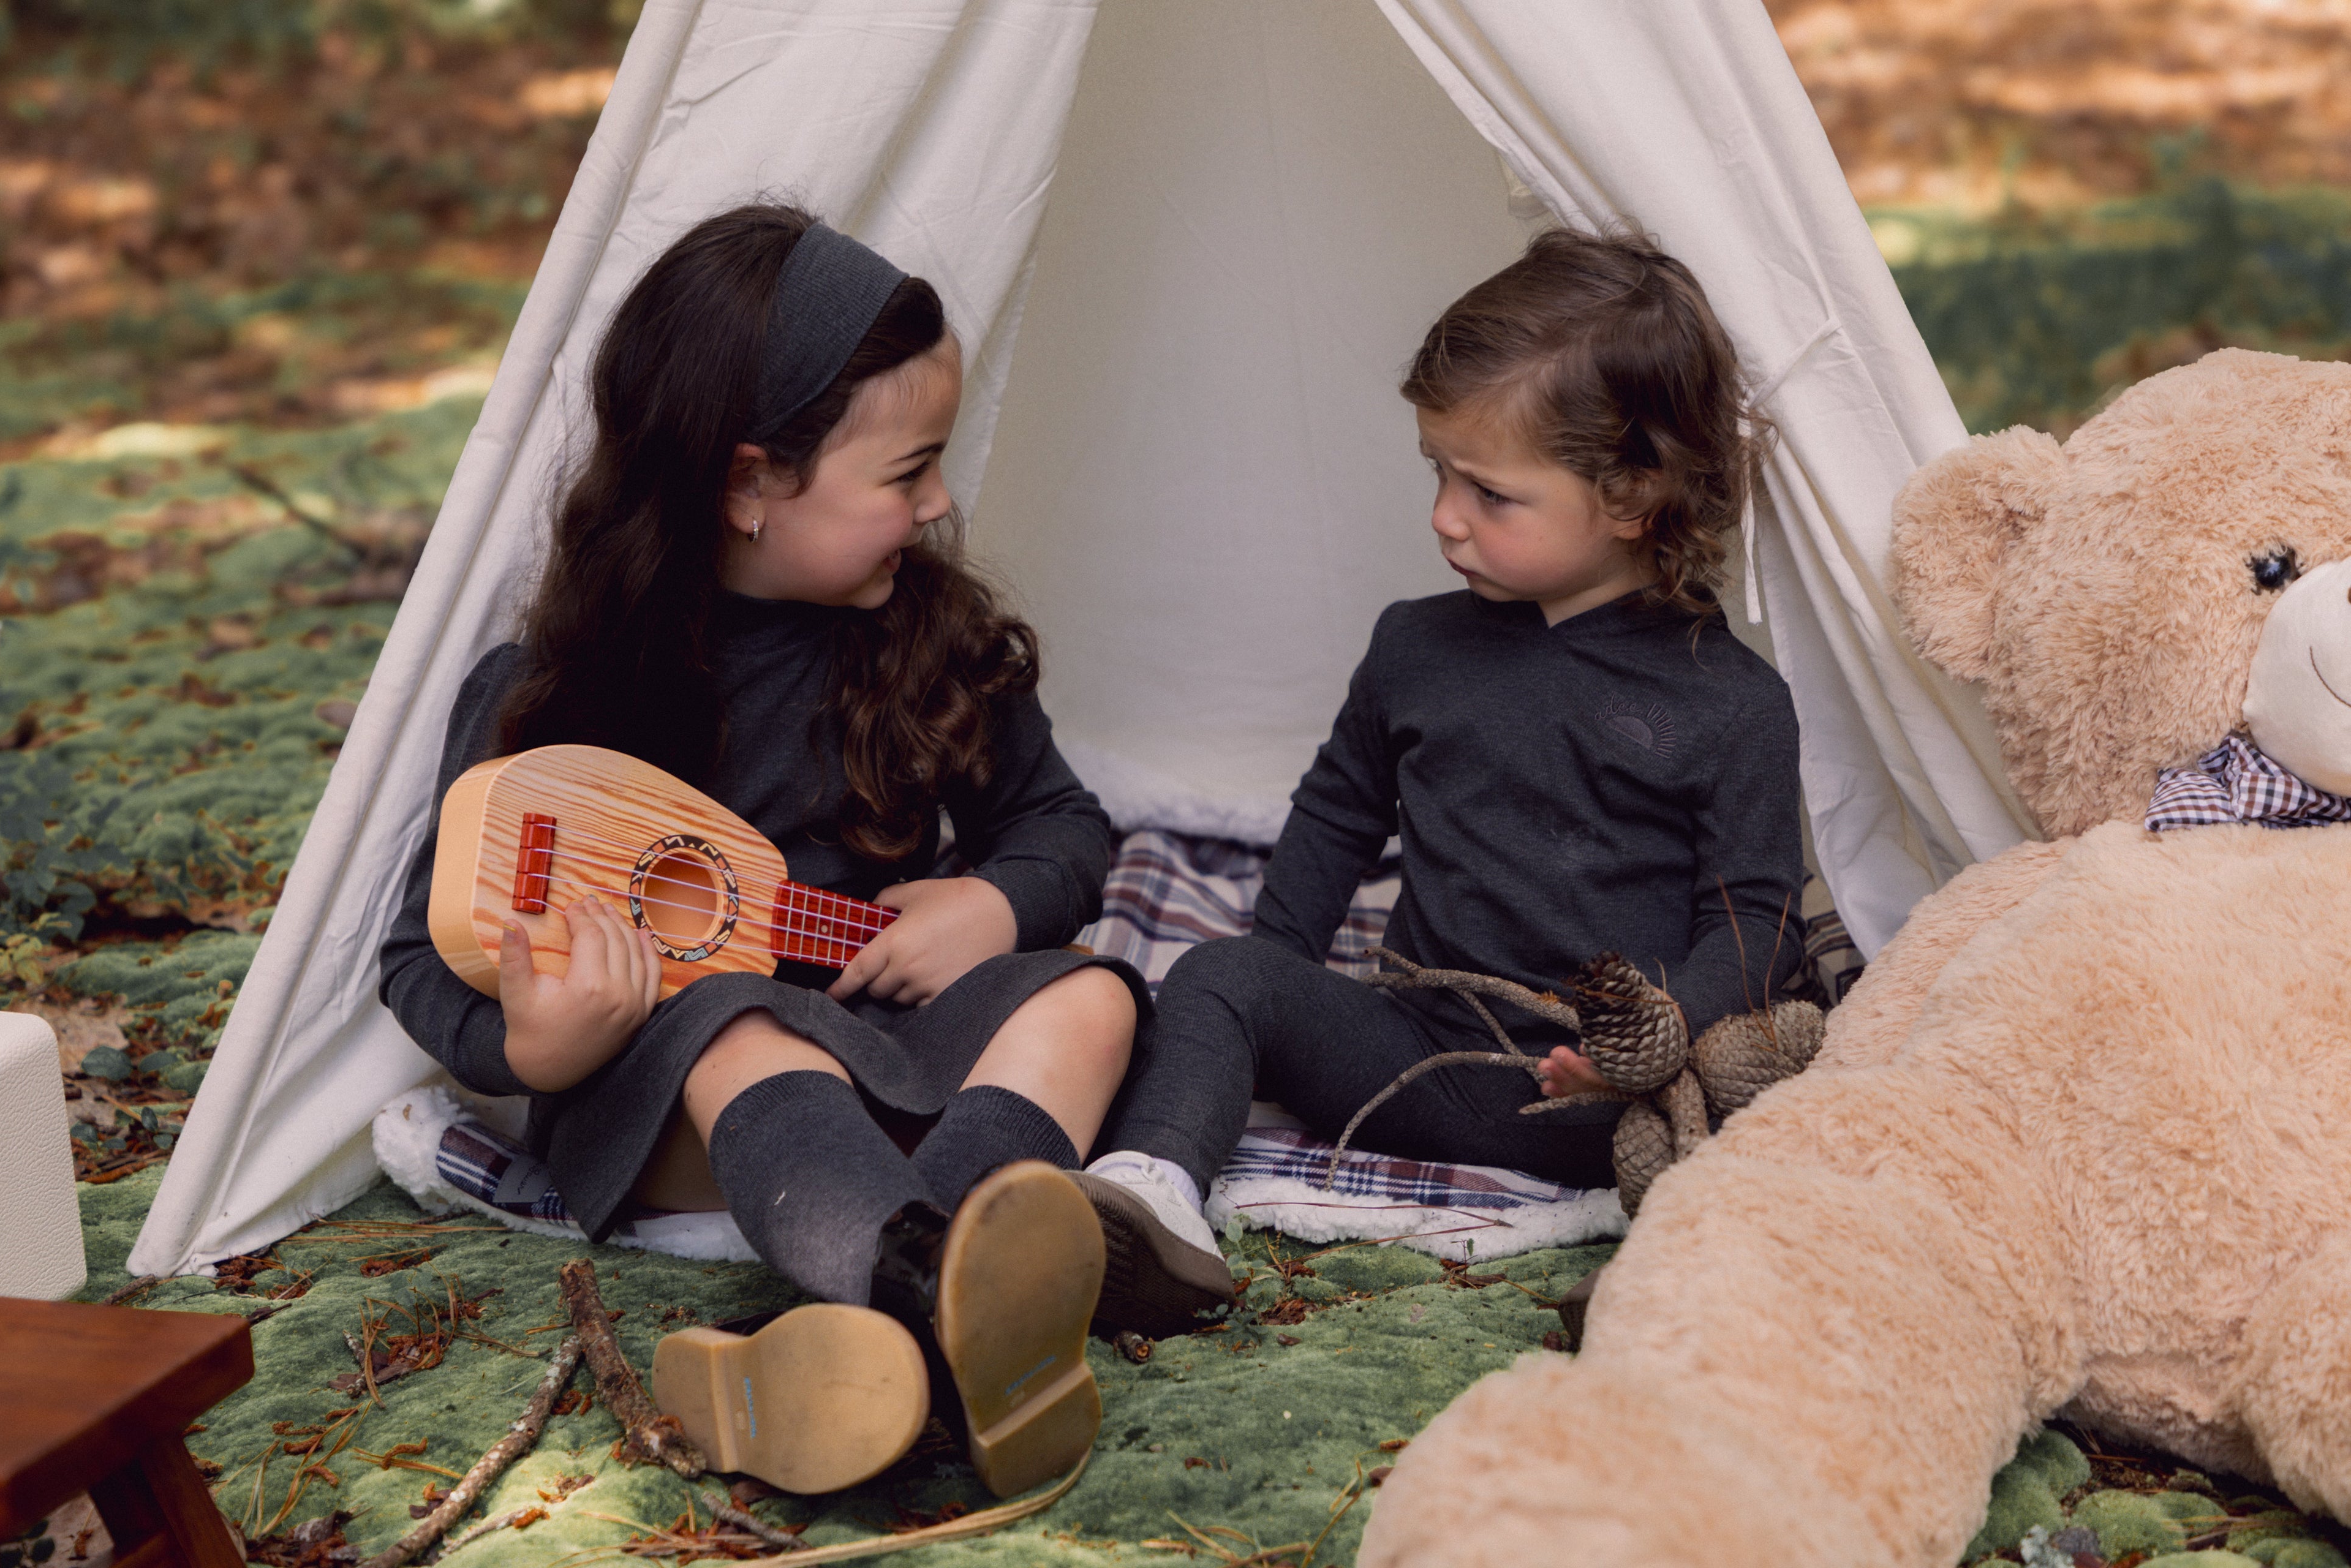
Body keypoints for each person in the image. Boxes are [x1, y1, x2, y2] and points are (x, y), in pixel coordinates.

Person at [377, 204, 1147, 1499]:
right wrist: (533, 1051)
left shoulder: (928, 637)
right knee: (736, 1021)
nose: (939, 503)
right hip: (680, 1101)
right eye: (907, 474)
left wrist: (992, 905)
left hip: (884, 1052)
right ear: (747, 486)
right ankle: (943, 1308)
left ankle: (898, 1320)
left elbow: (1063, 825)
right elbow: (414, 955)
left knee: (1094, 996)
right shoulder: (557, 696)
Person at [1075, 226, 1806, 1336]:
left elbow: (1754, 921)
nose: (1444, 517)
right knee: (1220, 977)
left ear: (1633, 493)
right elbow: (1336, 814)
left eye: (1490, 494)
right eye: (1438, 472)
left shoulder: (1732, 704)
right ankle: (1149, 1210)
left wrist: (1640, 1047)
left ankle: (1654, 1284)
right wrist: (1279, 982)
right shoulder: (1416, 647)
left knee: (1769, 1104)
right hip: (1412, 1062)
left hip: (1604, 1107)